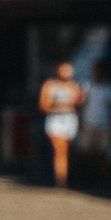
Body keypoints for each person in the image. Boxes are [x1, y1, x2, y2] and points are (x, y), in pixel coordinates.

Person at [39, 60, 87, 189]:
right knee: (60, 151)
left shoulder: (74, 86)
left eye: (69, 70)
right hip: (55, 120)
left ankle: (64, 177)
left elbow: (78, 103)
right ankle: (61, 180)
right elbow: (43, 104)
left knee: (68, 151)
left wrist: (80, 99)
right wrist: (62, 104)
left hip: (70, 120)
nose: (67, 73)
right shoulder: (50, 85)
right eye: (64, 69)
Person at [79, 62, 111, 185]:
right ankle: (86, 180)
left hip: (105, 125)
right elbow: (80, 104)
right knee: (84, 153)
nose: (97, 73)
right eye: (95, 70)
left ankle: (104, 181)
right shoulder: (87, 86)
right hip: (88, 124)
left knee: (104, 155)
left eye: (99, 70)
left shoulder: (110, 88)